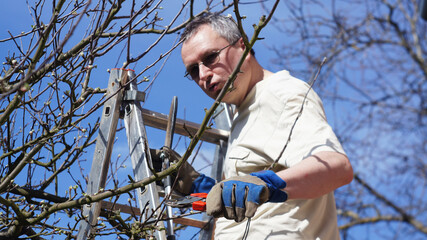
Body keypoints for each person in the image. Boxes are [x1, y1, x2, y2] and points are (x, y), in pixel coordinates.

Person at [175, 12, 353, 239]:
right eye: (193, 70)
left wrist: (265, 184)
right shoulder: (244, 111)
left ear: (244, 47)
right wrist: (207, 190)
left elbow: (336, 168)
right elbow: (259, 201)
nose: (203, 75)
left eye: (210, 57)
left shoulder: (282, 94)